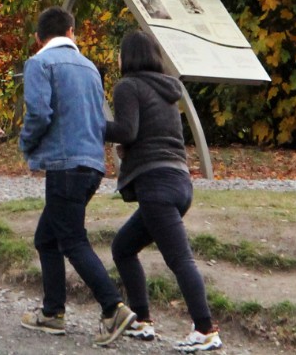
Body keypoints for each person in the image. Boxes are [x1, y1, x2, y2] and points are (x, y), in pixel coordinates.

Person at [19, 6, 136, 346]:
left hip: (63, 165)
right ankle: (52, 312)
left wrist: (27, 146)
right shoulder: (89, 68)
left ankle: (113, 306)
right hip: (91, 165)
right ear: (71, 32)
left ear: (38, 39)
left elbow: (39, 113)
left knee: (71, 239)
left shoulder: (39, 64)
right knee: (47, 237)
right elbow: (99, 118)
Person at [104, 29, 221, 351]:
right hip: (180, 182)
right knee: (123, 247)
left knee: (181, 260)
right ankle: (142, 321)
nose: (116, 57)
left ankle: (205, 329)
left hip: (156, 185)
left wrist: (90, 124)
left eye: (119, 51)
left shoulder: (128, 86)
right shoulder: (168, 89)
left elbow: (127, 131)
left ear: (127, 56)